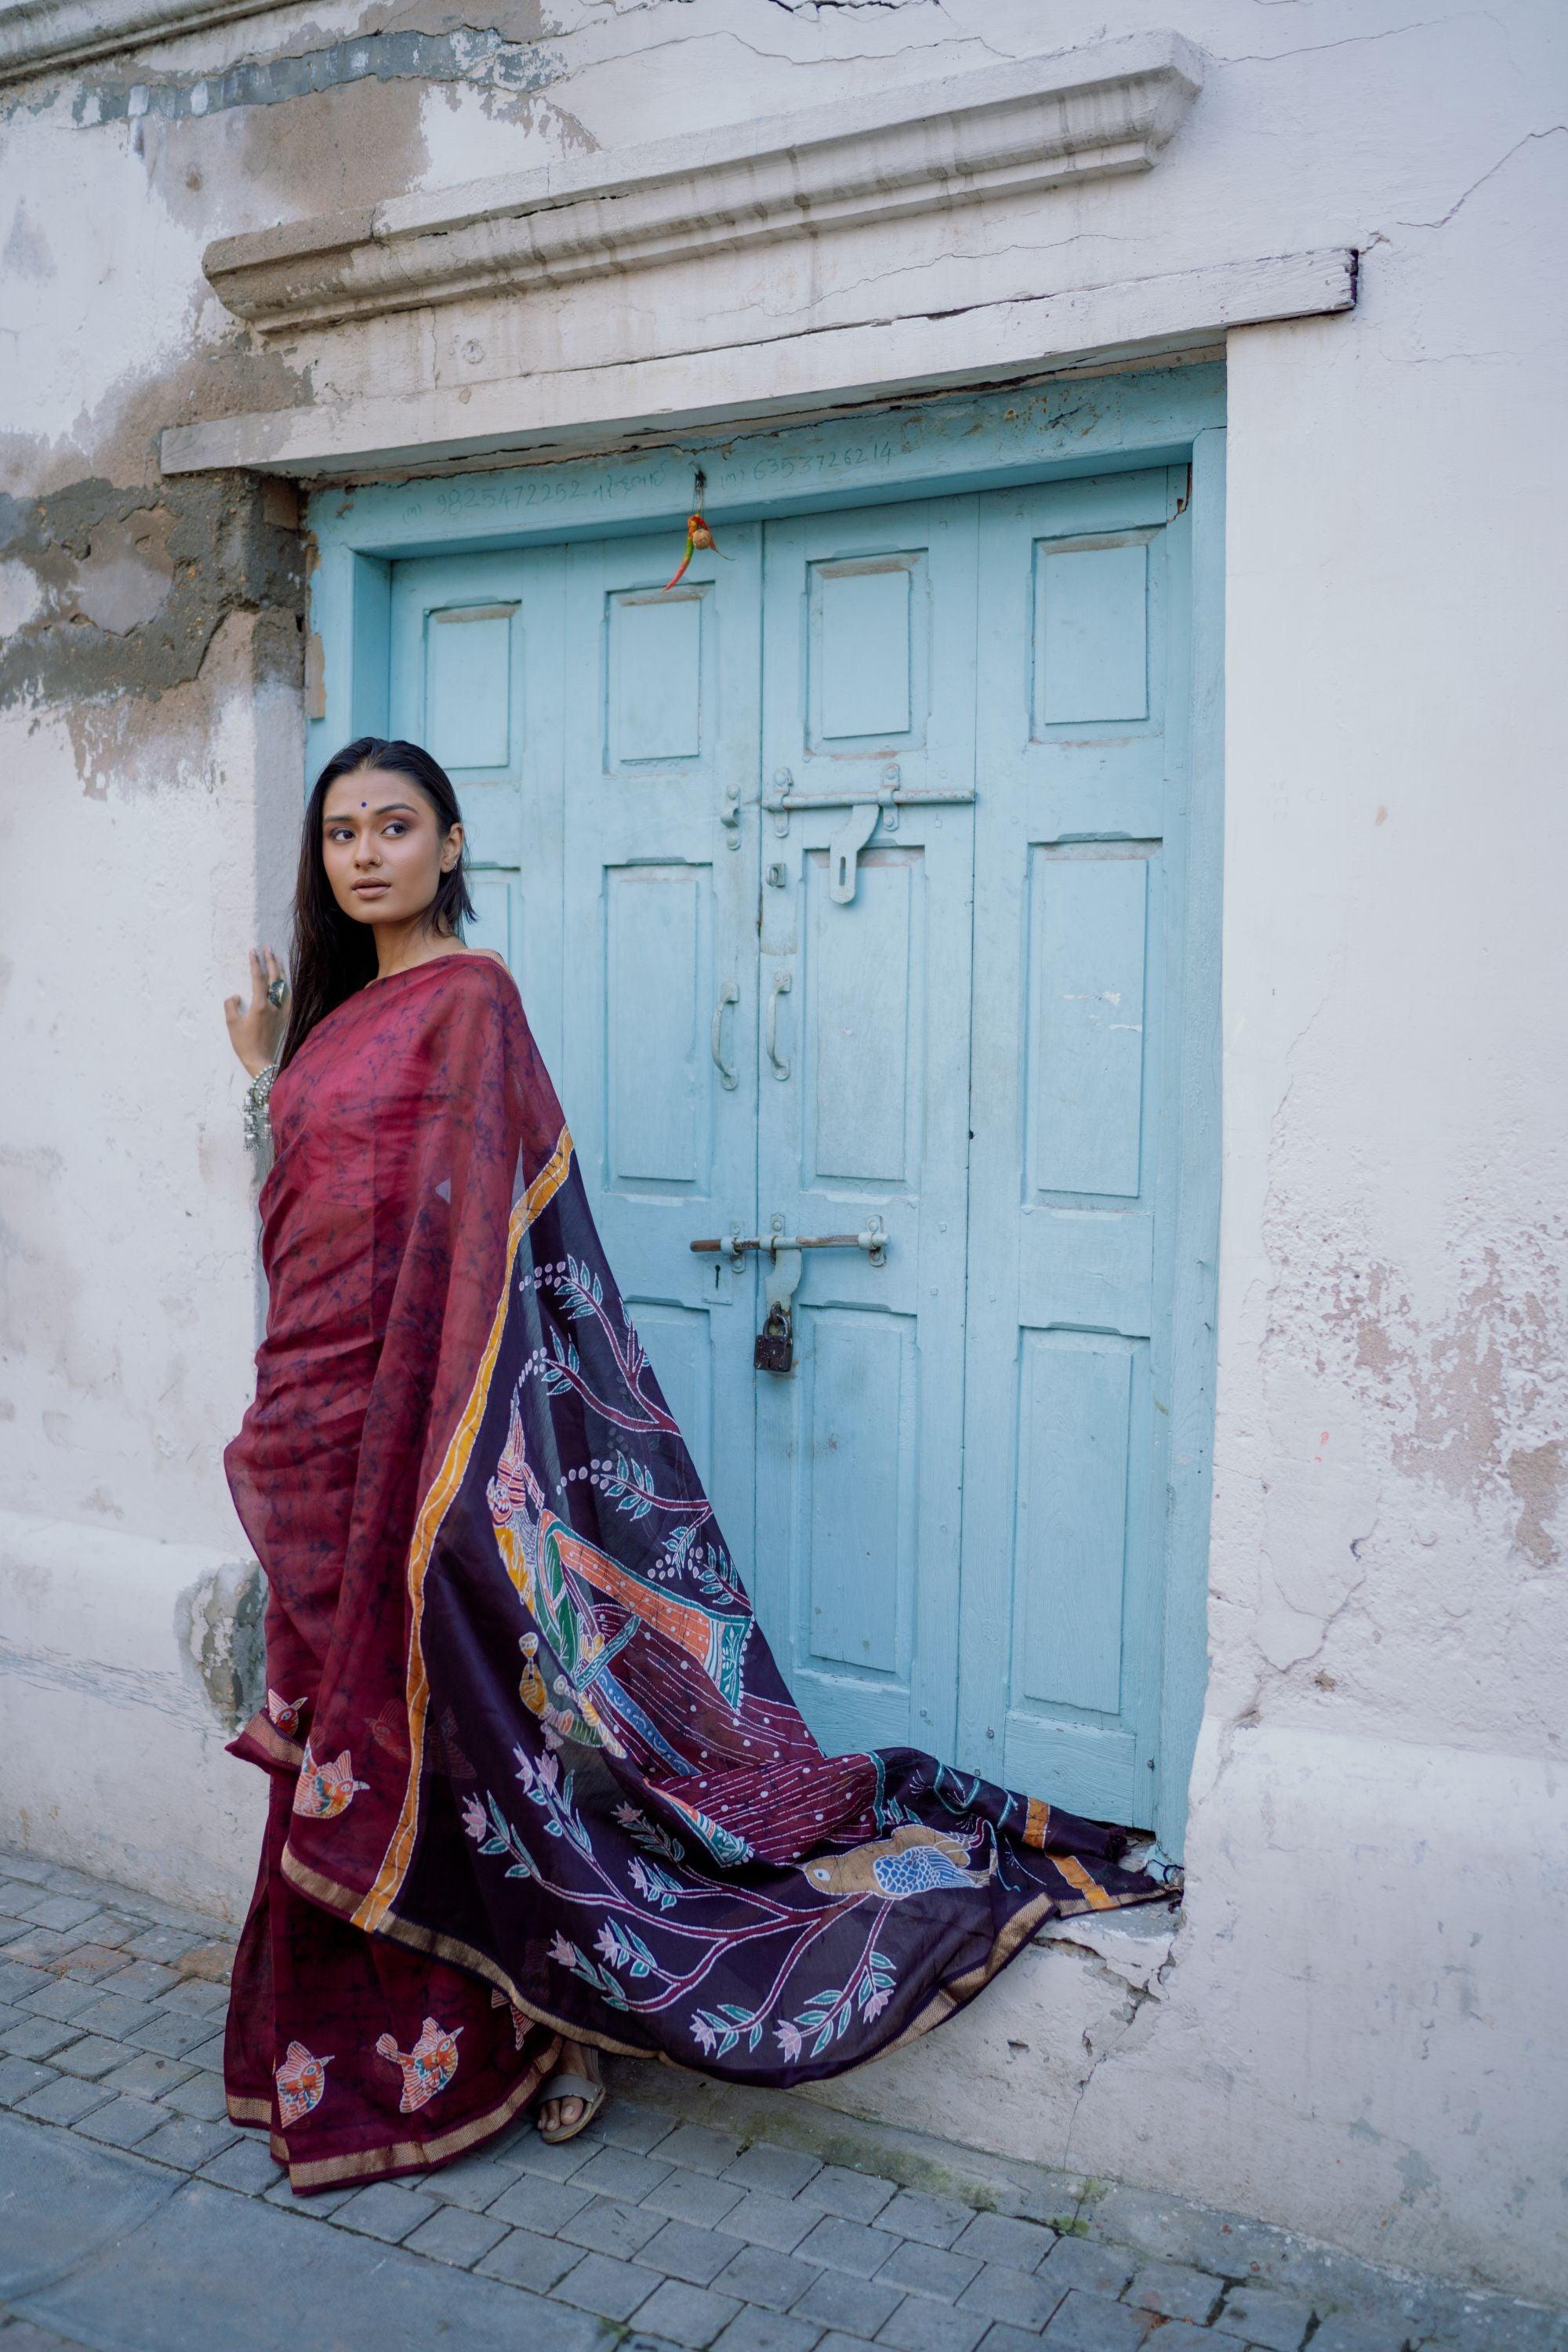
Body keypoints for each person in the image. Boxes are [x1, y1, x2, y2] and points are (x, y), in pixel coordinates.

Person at [221, 737, 1169, 2197]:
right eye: (341, 832)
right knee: (348, 1730)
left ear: (450, 845)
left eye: (394, 827)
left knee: (463, 1723)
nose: (363, 855)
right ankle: (388, 2037)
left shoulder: (470, 1003)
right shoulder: (329, 1024)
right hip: (315, 1415)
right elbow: (302, 1217)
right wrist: (257, 1079)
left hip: (431, 1429)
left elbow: (486, 1247)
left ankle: (550, 2026)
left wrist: (449, 1442)